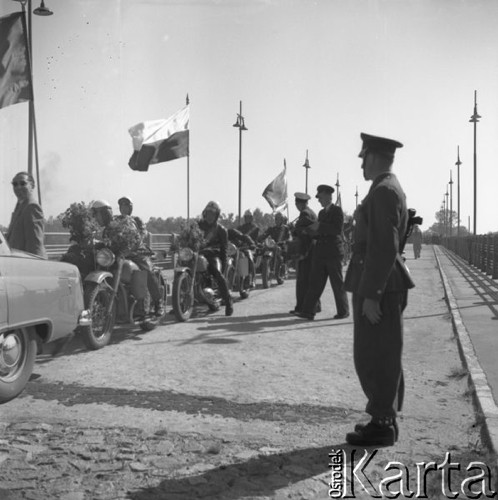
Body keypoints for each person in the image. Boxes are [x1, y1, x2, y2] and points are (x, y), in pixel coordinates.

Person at [343, 133, 415, 447]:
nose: (361, 163)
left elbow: (384, 247)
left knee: (376, 355)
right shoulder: (385, 188)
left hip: (381, 286)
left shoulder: (385, 191)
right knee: (380, 352)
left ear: (373, 157)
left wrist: (372, 294)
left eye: (363, 157)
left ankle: (383, 423)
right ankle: (383, 419)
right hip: (380, 282)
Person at [295, 185, 349, 321]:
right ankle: (308, 312)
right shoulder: (321, 213)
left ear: (328, 196)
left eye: (320, 197)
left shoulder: (337, 211)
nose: (319, 200)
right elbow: (319, 233)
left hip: (333, 252)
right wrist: (309, 231)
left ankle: (343, 311)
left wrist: (319, 226)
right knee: (315, 283)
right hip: (321, 252)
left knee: (337, 283)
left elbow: (337, 230)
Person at [116, 197, 164, 317]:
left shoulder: (136, 220)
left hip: (137, 252)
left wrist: (135, 242)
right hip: (121, 253)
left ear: (130, 208)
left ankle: (159, 303)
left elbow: (143, 233)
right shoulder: (116, 220)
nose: (123, 209)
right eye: (122, 207)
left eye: (126, 207)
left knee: (147, 271)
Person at [198, 201, 233, 316]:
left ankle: (228, 302)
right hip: (198, 254)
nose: (210, 216)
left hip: (213, 256)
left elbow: (224, 249)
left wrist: (224, 265)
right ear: (205, 213)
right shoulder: (198, 225)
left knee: (218, 274)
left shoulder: (221, 229)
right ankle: (179, 301)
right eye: (208, 213)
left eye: (213, 214)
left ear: (217, 215)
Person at [6, 171, 47, 258]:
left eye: (23, 183)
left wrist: (33, 268)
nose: (18, 187)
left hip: (27, 264)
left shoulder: (32, 207)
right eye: (15, 184)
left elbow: (35, 245)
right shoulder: (20, 207)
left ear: (32, 186)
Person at [289, 192, 317, 315]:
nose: (296, 205)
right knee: (310, 280)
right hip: (312, 250)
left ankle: (301, 307)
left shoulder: (305, 214)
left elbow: (304, 233)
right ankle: (315, 306)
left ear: (300, 203)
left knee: (303, 281)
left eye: (296, 203)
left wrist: (293, 229)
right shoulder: (310, 212)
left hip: (306, 251)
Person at [259, 211, 291, 285]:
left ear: (282, 220)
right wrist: (260, 238)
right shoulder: (272, 229)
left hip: (281, 246)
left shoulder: (285, 228)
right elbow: (265, 234)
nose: (277, 220)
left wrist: (286, 241)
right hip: (272, 246)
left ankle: (281, 270)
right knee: (263, 249)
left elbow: (289, 237)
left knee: (281, 251)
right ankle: (264, 268)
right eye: (276, 219)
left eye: (279, 219)